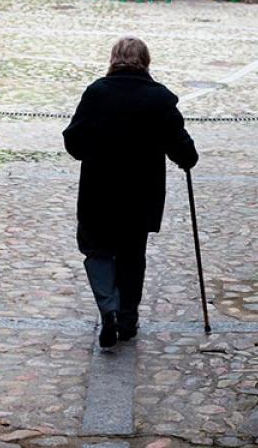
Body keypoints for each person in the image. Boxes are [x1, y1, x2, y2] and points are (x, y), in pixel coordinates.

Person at [63, 36, 198, 348]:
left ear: (113, 60)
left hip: (99, 193)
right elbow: (183, 148)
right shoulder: (159, 99)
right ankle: (126, 317)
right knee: (132, 257)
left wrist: (91, 149)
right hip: (141, 196)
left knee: (97, 250)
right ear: (145, 62)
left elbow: (73, 140)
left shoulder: (96, 93)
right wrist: (187, 157)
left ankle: (108, 308)